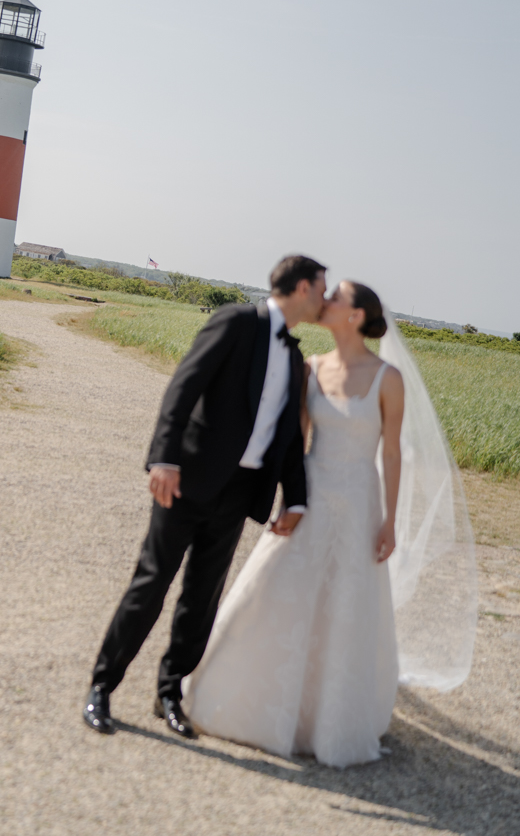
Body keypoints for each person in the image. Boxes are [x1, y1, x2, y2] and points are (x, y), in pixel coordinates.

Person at [83, 254, 328, 737]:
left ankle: (169, 693)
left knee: (202, 597)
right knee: (151, 585)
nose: (325, 297)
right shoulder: (237, 320)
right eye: (322, 287)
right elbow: (184, 385)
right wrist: (164, 458)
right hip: (187, 479)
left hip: (239, 493)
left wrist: (295, 498)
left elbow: (288, 437)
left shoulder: (295, 356)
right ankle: (102, 688)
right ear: (302, 288)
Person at [182, 280, 405, 768]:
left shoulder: (387, 378)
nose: (326, 301)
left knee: (345, 603)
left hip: (360, 502)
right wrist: (288, 500)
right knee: (275, 587)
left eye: (337, 296)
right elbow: (295, 442)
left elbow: (391, 451)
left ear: (356, 316)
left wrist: (389, 519)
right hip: (312, 496)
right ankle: (245, 699)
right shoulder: (310, 368)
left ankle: (329, 717)